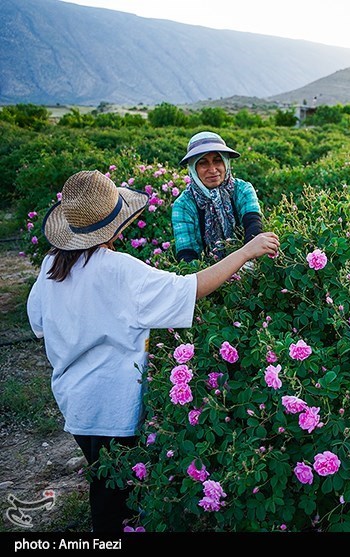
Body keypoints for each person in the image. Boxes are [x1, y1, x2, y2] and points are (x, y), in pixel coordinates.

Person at [26, 170, 280, 532]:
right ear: (116, 224)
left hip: (74, 401)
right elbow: (191, 288)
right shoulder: (118, 270)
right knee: (115, 497)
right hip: (114, 406)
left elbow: (37, 322)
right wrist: (246, 251)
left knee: (104, 480)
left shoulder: (52, 264)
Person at [172, 130, 264, 262]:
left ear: (226, 163)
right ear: (193, 168)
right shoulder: (184, 205)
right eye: (203, 163)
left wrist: (246, 262)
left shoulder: (242, 190)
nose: (213, 169)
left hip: (247, 264)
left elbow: (253, 226)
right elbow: (187, 255)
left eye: (217, 160)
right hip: (205, 276)